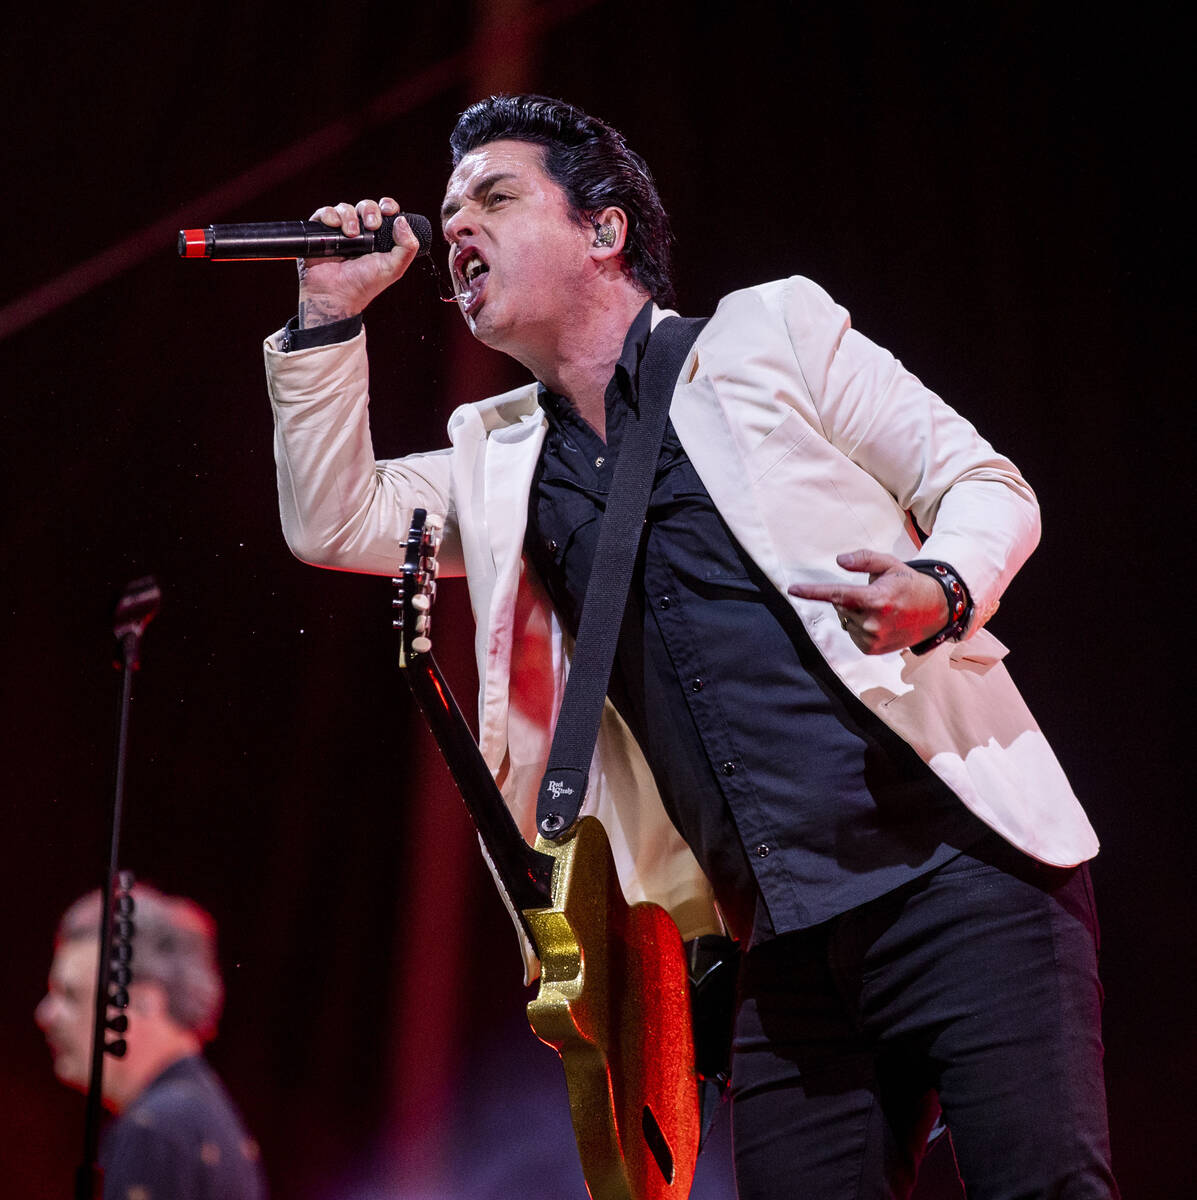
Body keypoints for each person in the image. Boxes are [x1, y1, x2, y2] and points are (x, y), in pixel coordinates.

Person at [262, 93, 1118, 1198]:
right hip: (780, 942)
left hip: (959, 871)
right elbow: (334, 521)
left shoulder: (771, 337)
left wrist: (941, 588)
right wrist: (327, 314)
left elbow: (982, 482)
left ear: (604, 231)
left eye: (495, 195)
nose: (456, 225)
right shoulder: (497, 458)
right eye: (448, 208)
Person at [35, 884, 268, 1199]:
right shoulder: (194, 1116)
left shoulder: (158, 1131)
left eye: (71, 995)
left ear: (142, 1002)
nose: (45, 1014)